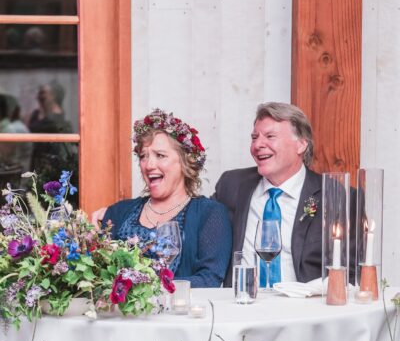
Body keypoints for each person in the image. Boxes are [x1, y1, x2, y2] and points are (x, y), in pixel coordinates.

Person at [214, 101, 356, 287]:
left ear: (301, 145)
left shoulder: (334, 194)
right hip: (244, 305)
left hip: (304, 308)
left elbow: (353, 271)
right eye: (254, 137)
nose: (258, 145)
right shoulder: (232, 184)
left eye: (270, 136)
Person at [99, 109, 232, 288]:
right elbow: (99, 273)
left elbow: (209, 279)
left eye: (160, 155)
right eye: (143, 156)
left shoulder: (210, 213)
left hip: (179, 314)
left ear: (185, 162)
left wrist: (147, 289)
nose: (149, 165)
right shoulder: (118, 211)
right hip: (124, 316)